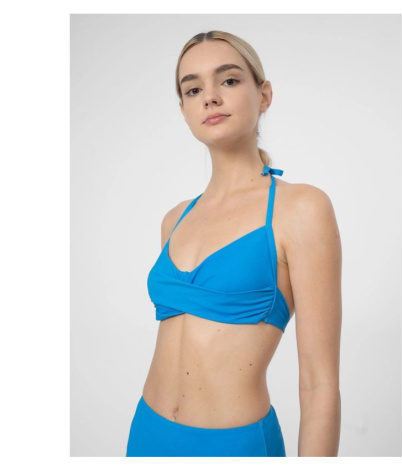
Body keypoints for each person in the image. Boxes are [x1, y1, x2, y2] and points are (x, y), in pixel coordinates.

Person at [126, 30, 342, 457]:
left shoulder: (301, 209)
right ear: (184, 110)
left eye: (228, 80)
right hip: (147, 434)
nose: (210, 97)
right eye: (193, 89)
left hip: (235, 446)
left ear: (264, 95)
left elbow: (320, 383)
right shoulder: (174, 219)